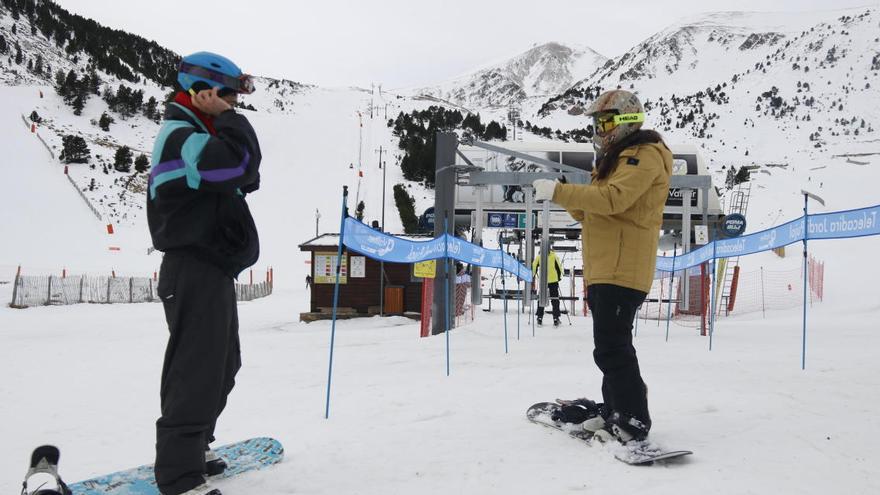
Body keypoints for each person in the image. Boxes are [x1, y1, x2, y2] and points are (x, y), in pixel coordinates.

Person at [148, 51, 261, 495]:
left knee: (222, 364)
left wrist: (224, 124)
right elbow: (239, 165)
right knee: (196, 370)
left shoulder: (197, 135)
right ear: (202, 91)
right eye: (228, 94)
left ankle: (195, 446)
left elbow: (244, 176)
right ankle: (179, 477)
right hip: (191, 268)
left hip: (210, 269)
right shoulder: (180, 136)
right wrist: (231, 123)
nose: (233, 102)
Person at [532, 89, 672, 444]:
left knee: (613, 346)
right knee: (609, 344)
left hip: (623, 268)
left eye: (605, 120)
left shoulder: (644, 156)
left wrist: (561, 194)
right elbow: (594, 209)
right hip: (606, 267)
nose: (599, 127)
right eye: (596, 122)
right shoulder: (618, 157)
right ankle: (616, 411)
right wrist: (563, 194)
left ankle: (632, 420)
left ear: (625, 120)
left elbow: (614, 200)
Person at [532, 245, 563, 326]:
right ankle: (556, 317)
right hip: (553, 281)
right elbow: (559, 267)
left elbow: (534, 266)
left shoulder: (539, 257)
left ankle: (539, 317)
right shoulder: (554, 256)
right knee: (555, 299)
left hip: (543, 280)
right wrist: (559, 277)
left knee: (541, 299)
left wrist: (532, 275)